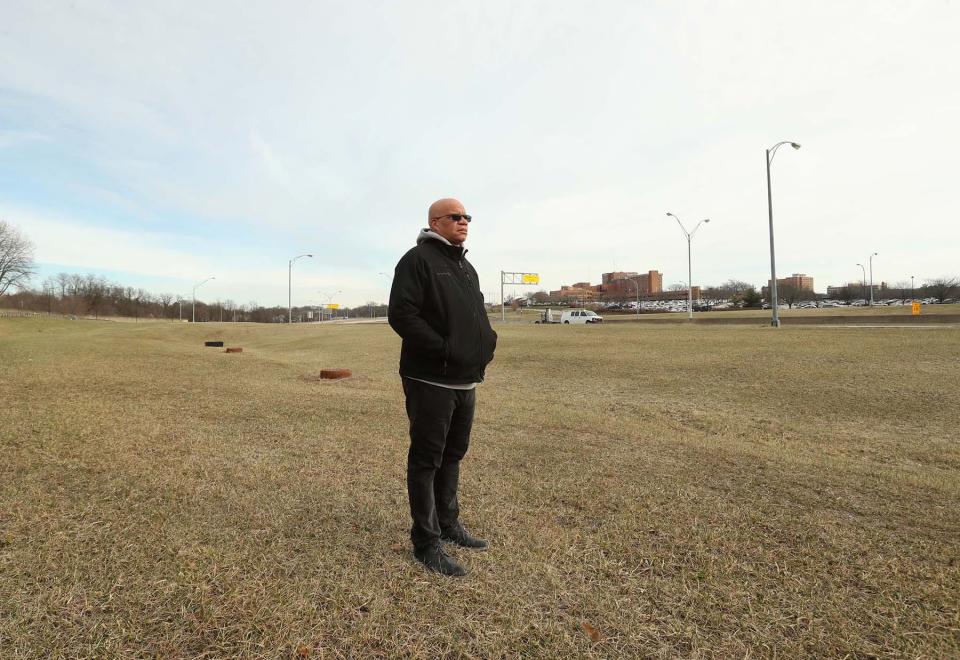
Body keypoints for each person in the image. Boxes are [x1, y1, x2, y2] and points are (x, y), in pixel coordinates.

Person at [388, 198, 498, 577]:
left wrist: (487, 342)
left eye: (467, 216)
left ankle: (449, 525)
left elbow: (477, 313)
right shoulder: (417, 260)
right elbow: (401, 315)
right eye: (456, 216)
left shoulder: (465, 265)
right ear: (436, 221)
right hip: (430, 377)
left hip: (465, 379)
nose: (464, 221)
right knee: (427, 459)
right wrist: (445, 349)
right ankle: (426, 541)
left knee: (453, 455)